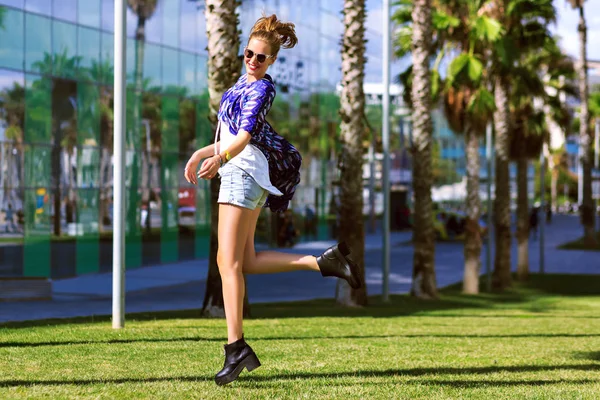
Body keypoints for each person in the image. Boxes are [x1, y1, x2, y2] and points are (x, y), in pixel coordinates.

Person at [183, 14, 361, 386]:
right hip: (240, 169)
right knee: (244, 260)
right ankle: (323, 262)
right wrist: (201, 153)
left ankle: (236, 348)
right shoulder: (240, 84)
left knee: (226, 262)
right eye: (249, 53)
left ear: (271, 61)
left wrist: (220, 159)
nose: (253, 60)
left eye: (261, 57)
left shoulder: (262, 89)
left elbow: (244, 136)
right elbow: (229, 134)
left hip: (242, 172)